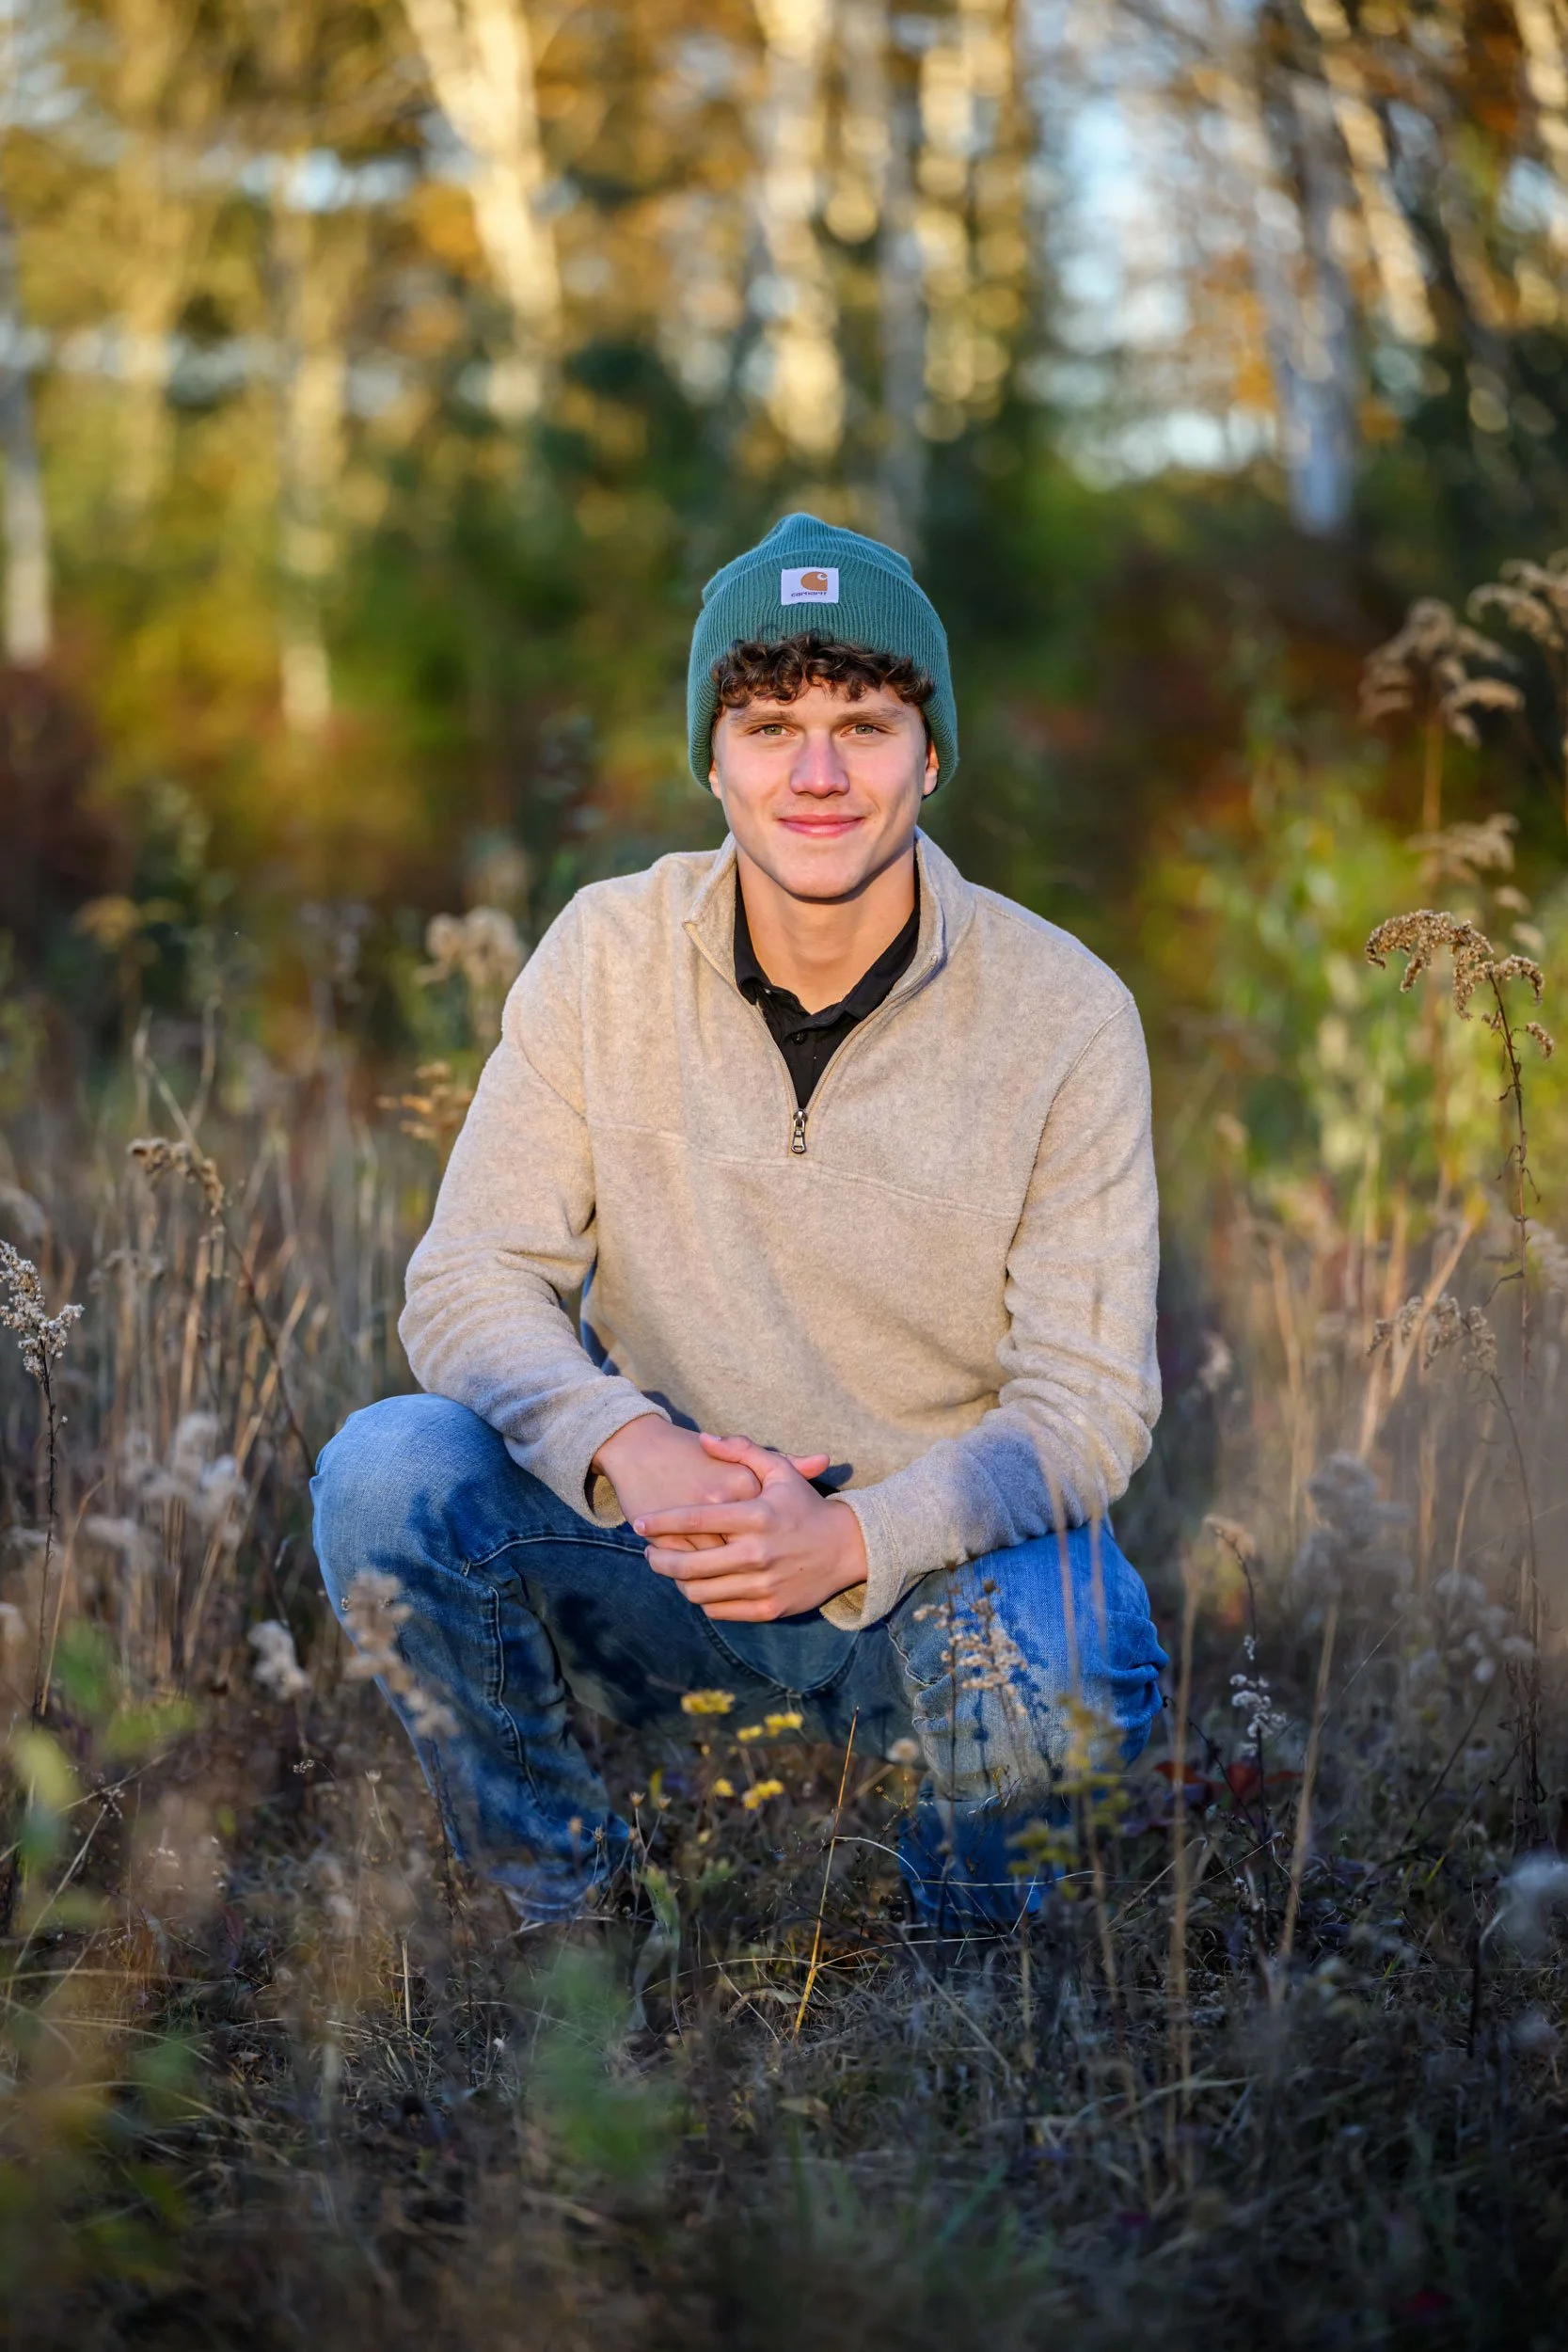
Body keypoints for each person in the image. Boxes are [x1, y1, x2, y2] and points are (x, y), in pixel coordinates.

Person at [312, 513, 1167, 1941]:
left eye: (865, 723)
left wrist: (851, 1540)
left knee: (1078, 1642)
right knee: (387, 1470)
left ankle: (967, 1995)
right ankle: (577, 1928)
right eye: (768, 725)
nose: (817, 773)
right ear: (710, 760)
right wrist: (627, 1448)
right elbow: (471, 1278)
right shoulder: (606, 953)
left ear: (931, 752)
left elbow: (1085, 1409)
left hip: (923, 1587)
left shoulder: (1065, 1014)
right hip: (661, 1559)